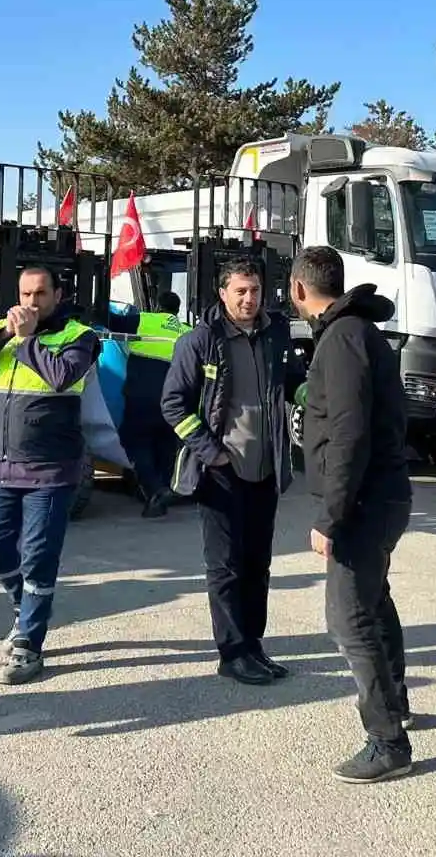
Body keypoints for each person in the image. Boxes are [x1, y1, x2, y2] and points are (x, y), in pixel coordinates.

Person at [290, 246, 414, 784]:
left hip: (362, 505)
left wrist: (330, 517)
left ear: (298, 289)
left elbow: (348, 437)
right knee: (374, 603)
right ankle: (398, 701)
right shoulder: (356, 333)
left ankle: (387, 741)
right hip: (381, 496)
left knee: (349, 619)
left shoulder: (342, 340)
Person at [0, 266, 104, 684]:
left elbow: (61, 377)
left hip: (51, 471)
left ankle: (28, 646)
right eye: (25, 293)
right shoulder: (8, 331)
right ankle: (25, 606)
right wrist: (3, 335)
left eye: (40, 293)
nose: (31, 302)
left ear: (57, 295)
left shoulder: (79, 337)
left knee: (39, 559)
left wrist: (25, 340)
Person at [162, 255, 300, 687]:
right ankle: (232, 653)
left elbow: (293, 380)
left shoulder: (275, 333)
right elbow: (173, 405)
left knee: (258, 564)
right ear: (222, 294)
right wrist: (211, 452)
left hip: (265, 469)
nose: (248, 298)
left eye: (255, 290)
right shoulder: (201, 341)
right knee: (225, 567)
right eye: (240, 291)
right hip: (221, 473)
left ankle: (254, 646)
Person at [109, 304, 190, 518]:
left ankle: (155, 490)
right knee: (165, 446)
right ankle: (161, 493)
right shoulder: (186, 329)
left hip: (142, 398)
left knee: (136, 444)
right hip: (174, 401)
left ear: (156, 308)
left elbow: (108, 322)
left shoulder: (143, 320)